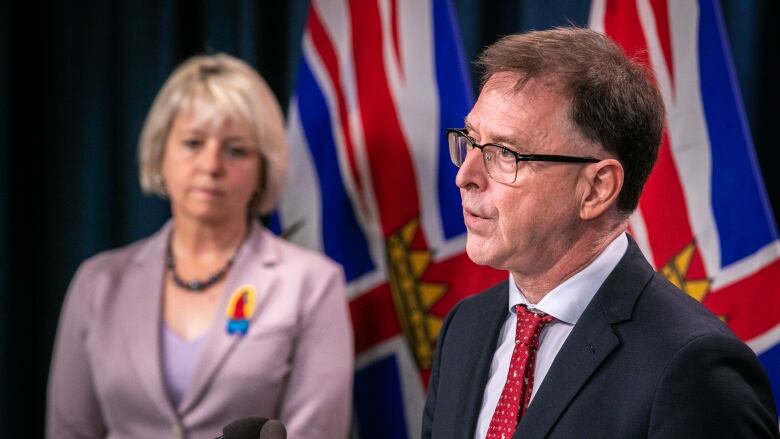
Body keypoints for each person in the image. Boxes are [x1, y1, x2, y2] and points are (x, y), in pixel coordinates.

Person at [422, 27, 779, 439]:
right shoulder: (466, 327)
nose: (465, 176)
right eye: (471, 140)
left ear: (596, 189)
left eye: (504, 153)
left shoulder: (693, 368)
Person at [47, 54, 353, 439]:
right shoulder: (98, 282)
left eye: (236, 150)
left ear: (263, 169)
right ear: (161, 156)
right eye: (193, 143)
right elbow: (69, 430)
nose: (211, 164)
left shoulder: (312, 284)